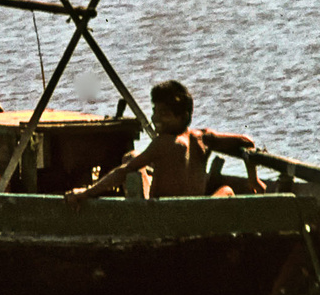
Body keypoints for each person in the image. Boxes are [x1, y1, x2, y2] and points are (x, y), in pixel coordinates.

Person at [64, 81, 261, 206]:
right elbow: (247, 143)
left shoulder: (164, 142)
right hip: (198, 210)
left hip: (166, 212)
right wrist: (253, 179)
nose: (156, 119)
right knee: (227, 191)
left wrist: (87, 192)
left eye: (164, 115)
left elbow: (123, 172)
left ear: (183, 116)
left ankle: (140, 215)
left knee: (131, 159)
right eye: (155, 112)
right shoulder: (204, 138)